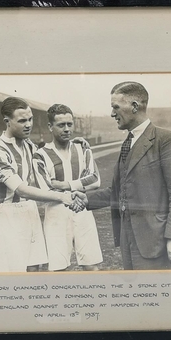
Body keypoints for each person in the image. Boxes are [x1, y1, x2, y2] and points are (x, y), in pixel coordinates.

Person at [75, 81, 171, 270]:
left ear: (135, 106)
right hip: (128, 239)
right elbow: (120, 191)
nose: (112, 113)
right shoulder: (128, 143)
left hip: (156, 241)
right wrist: (86, 199)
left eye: (116, 107)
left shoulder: (167, 140)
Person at [0, 97, 75, 273]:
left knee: (34, 267)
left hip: (30, 211)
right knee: (14, 271)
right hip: (6, 214)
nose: (28, 125)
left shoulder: (29, 146)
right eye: (22, 121)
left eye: (30, 119)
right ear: (7, 121)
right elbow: (20, 189)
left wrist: (75, 145)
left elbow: (48, 167)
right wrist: (63, 196)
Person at [34, 104, 103, 271]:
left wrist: (67, 185)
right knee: (58, 268)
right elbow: (45, 190)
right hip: (56, 214)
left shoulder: (82, 148)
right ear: (50, 127)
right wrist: (78, 188)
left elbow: (95, 180)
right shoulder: (40, 155)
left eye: (69, 124)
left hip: (83, 211)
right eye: (61, 125)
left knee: (91, 266)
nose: (66, 129)